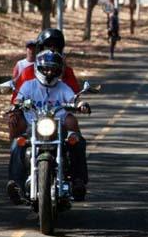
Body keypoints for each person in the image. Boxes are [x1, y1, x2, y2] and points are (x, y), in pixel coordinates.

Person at [7, 50, 91, 205]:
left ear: (59, 70)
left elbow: (73, 99)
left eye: (53, 68)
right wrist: (17, 107)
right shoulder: (28, 86)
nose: (49, 71)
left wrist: (81, 105)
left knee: (77, 141)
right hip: (33, 128)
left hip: (59, 129)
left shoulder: (62, 87)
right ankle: (15, 183)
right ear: (38, 68)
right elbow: (18, 100)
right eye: (46, 68)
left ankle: (79, 181)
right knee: (17, 144)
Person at [11, 28, 80, 103]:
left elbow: (75, 97)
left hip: (59, 112)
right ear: (40, 49)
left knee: (70, 115)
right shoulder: (28, 71)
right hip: (33, 112)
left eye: (56, 47)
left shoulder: (67, 71)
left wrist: (61, 75)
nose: (52, 50)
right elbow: (16, 99)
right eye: (48, 46)